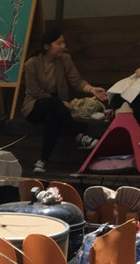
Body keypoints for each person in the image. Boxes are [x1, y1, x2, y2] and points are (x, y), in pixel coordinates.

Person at [22, 28, 108, 174]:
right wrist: (61, 103)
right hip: (35, 106)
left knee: (52, 118)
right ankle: (79, 136)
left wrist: (92, 89)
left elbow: (77, 81)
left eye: (63, 42)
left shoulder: (64, 59)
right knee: (54, 103)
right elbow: (34, 92)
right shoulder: (31, 64)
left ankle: (42, 161)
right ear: (47, 46)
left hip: (56, 108)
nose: (63, 46)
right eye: (59, 43)